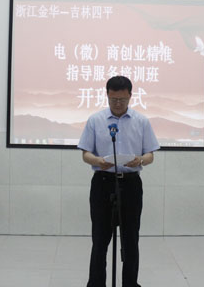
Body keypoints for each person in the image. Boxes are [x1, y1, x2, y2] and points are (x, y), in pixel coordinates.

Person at [78, 75, 160, 287]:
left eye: (122, 99)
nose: (117, 104)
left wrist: (140, 160)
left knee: (130, 239)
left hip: (131, 184)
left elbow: (150, 155)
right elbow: (85, 154)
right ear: (107, 95)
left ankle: (130, 284)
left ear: (130, 96)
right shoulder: (95, 120)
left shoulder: (141, 121)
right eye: (113, 99)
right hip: (102, 183)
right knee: (100, 240)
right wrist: (97, 161)